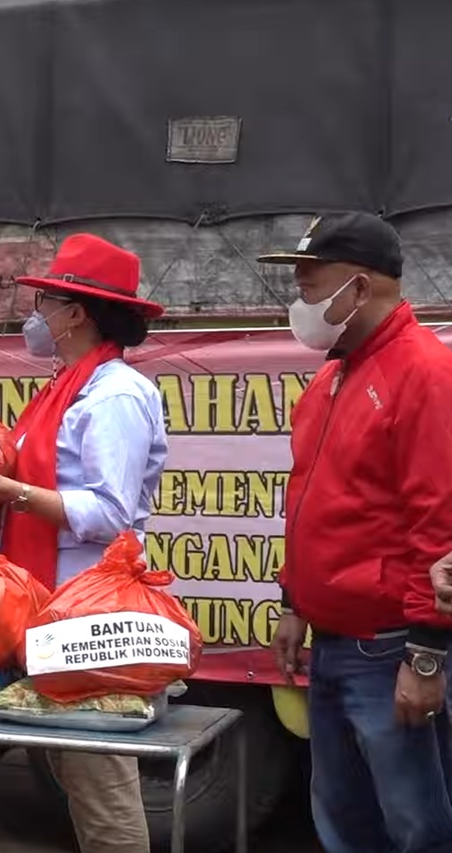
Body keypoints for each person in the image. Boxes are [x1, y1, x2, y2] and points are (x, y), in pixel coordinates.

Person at [0, 234, 167, 853]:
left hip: (86, 610)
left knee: (99, 774)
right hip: (48, 603)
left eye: (45, 303)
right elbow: (38, 483)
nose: (34, 317)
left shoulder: (113, 395)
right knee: (73, 765)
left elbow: (111, 512)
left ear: (77, 314)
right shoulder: (68, 386)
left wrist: (12, 493)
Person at [260, 212, 452, 853]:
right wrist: (295, 603)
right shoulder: (331, 377)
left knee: (417, 826)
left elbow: (441, 524)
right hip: (334, 643)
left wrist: (426, 655)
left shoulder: (425, 373)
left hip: (391, 646)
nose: (301, 302)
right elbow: (310, 501)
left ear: (362, 289)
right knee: (342, 820)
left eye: (312, 287)